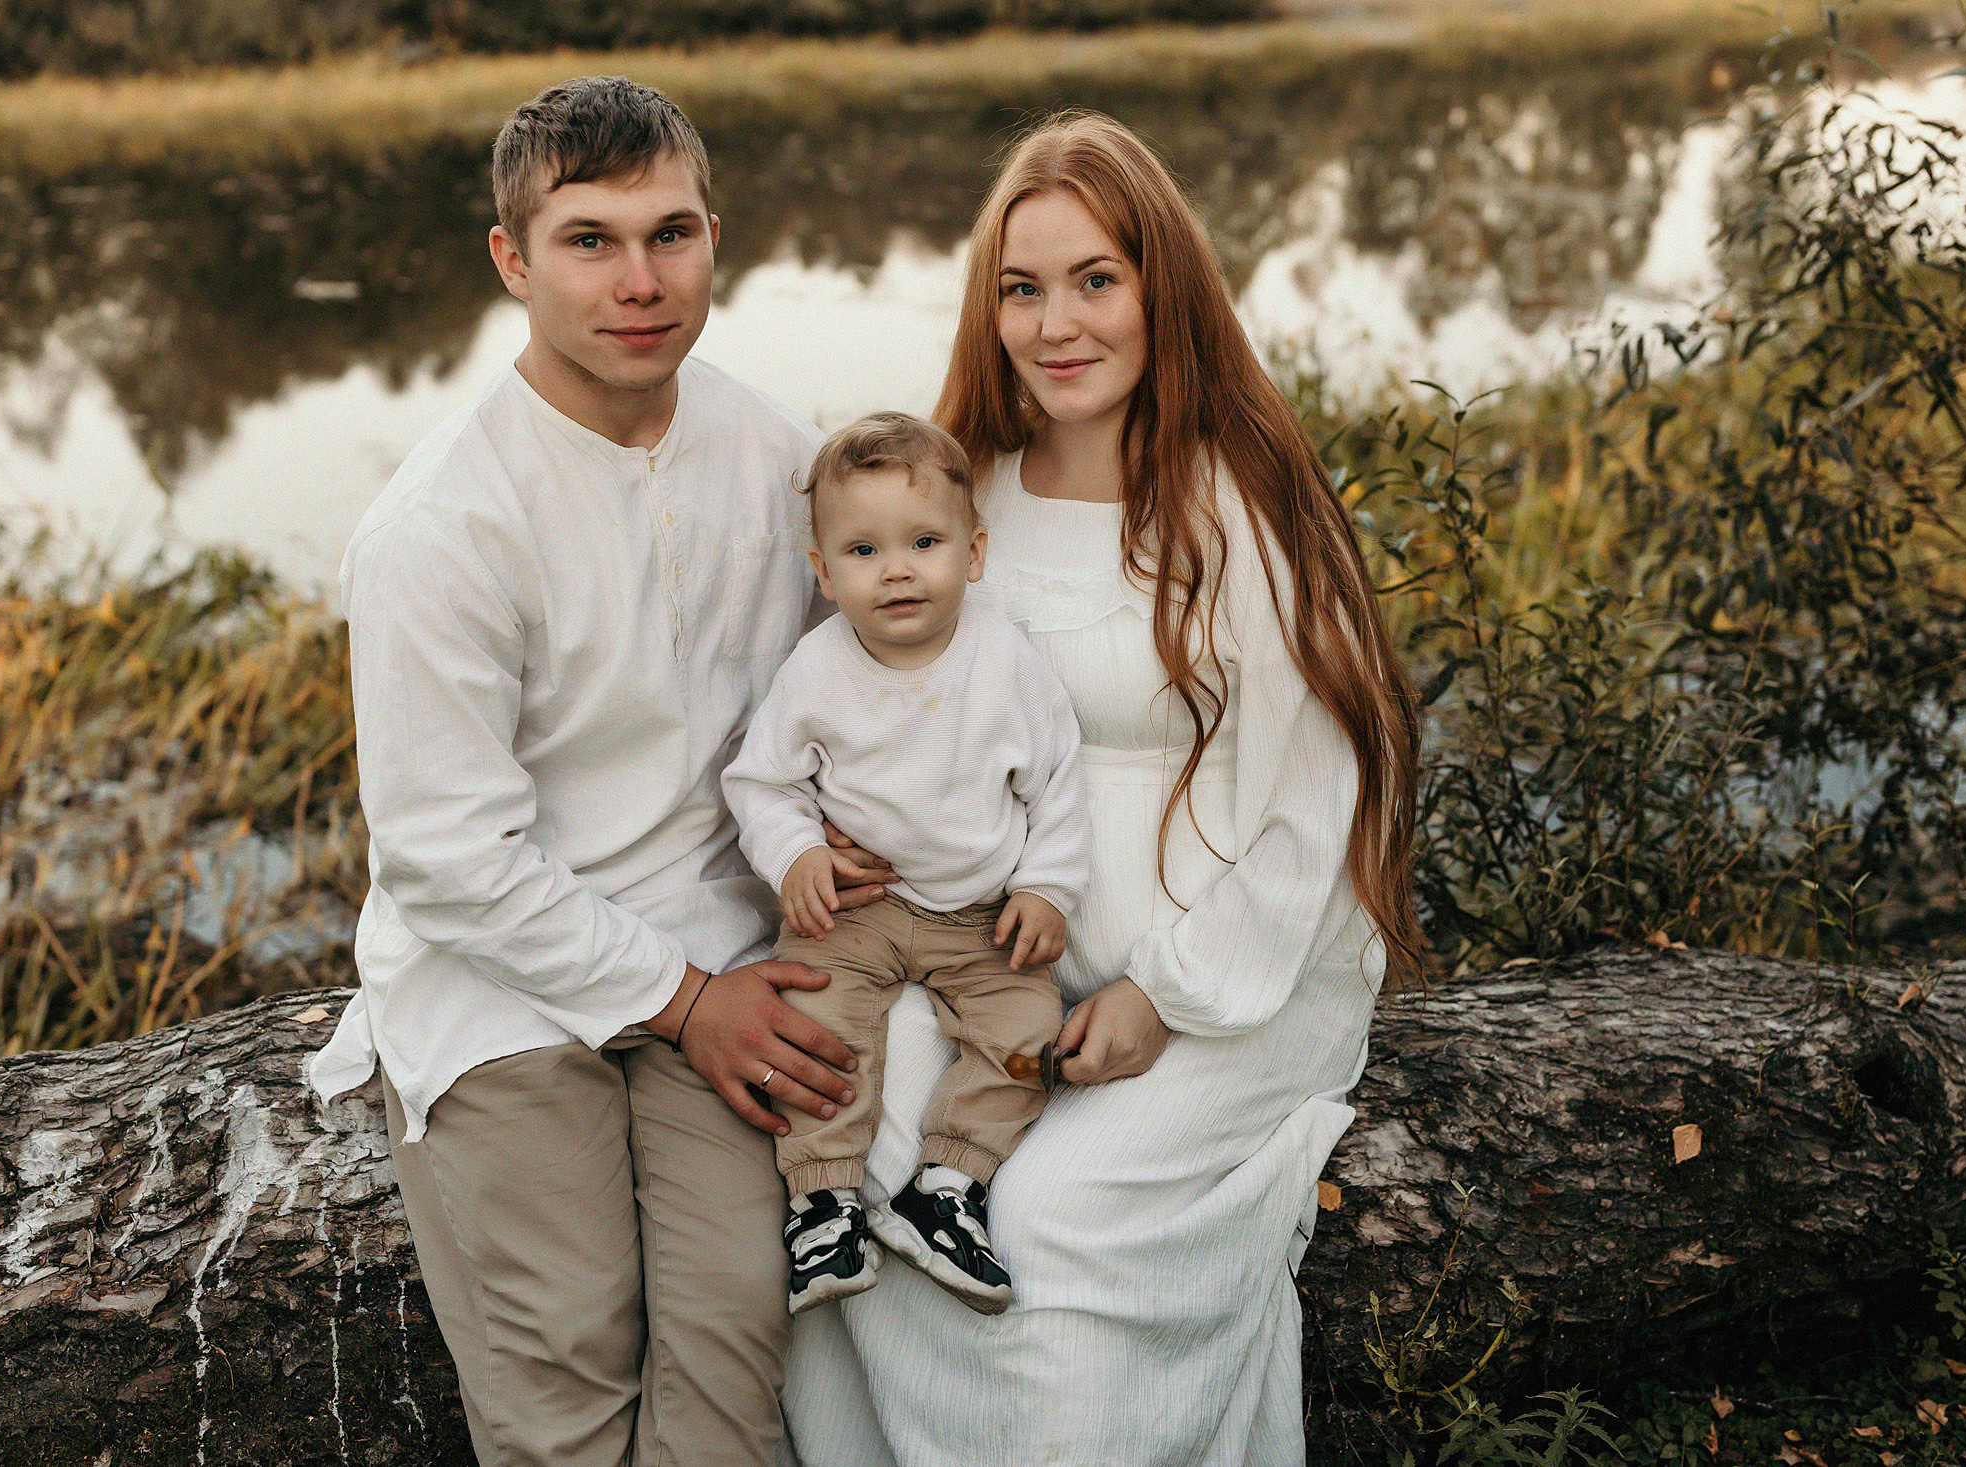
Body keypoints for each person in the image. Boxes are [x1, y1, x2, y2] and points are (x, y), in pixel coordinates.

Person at [780, 112, 1425, 1466]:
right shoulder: (963, 501)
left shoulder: (1239, 502)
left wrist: (1164, 992)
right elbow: (864, 705)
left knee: (1055, 1213)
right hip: (996, 957)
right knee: (858, 1152)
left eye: (1095, 279)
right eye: (1021, 287)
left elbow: (1321, 806)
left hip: (1232, 975)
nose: (1054, 322)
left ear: (1161, 290)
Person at [304, 75, 884, 1467]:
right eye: (589, 240)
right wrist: (686, 1005)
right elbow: (446, 861)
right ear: (512, 259)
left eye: (670, 234)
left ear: (714, 238)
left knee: (745, 1321)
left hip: (716, 943)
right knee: (572, 1337)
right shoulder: (439, 525)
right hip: (500, 980)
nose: (641, 281)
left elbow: (854, 697)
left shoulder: (778, 454)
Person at [722, 411, 1091, 1319]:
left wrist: (1049, 886)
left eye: (923, 542)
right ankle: (823, 1199)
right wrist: (796, 851)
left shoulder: (1006, 661)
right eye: (862, 550)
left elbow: (1059, 784)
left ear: (973, 550)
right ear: (823, 570)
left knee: (1026, 1031)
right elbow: (760, 782)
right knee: (816, 1019)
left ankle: (947, 1188)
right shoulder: (815, 670)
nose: (895, 569)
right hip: (861, 907)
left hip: (982, 910)